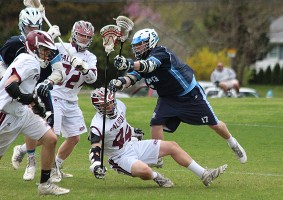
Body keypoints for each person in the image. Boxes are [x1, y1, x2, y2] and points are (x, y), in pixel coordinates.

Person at [110, 28, 247, 167]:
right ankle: (156, 156)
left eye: (141, 44)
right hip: (168, 98)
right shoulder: (140, 61)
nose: (137, 48)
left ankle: (232, 142)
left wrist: (128, 63)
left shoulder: (161, 53)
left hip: (189, 95)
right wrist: (119, 82)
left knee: (214, 124)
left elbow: (149, 66)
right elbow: (132, 77)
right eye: (136, 45)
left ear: (151, 42)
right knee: (156, 123)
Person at [88, 87, 228, 187]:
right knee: (145, 171)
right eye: (105, 105)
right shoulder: (97, 125)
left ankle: (204, 174)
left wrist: (132, 131)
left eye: (111, 102)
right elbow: (95, 148)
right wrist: (95, 165)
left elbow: (121, 124)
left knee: (172, 146)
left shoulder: (120, 105)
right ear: (98, 107)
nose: (111, 107)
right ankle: (157, 177)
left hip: (132, 144)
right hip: (119, 157)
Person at [12, 20, 98, 183]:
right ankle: (51, 170)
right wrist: (49, 36)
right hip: (54, 94)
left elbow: (93, 78)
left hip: (72, 99)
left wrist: (83, 68)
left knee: (74, 137)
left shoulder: (90, 57)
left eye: (87, 37)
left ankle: (52, 162)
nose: (84, 39)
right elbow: (39, 58)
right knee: (53, 135)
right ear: (74, 33)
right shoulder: (59, 46)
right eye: (81, 35)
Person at [0, 30, 69, 195]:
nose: (47, 54)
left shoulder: (31, 60)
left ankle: (45, 185)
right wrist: (28, 99)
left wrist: (32, 104)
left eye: (48, 50)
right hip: (6, 114)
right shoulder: (29, 60)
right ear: (33, 47)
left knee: (51, 139)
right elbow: (11, 85)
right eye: (44, 49)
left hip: (21, 112)